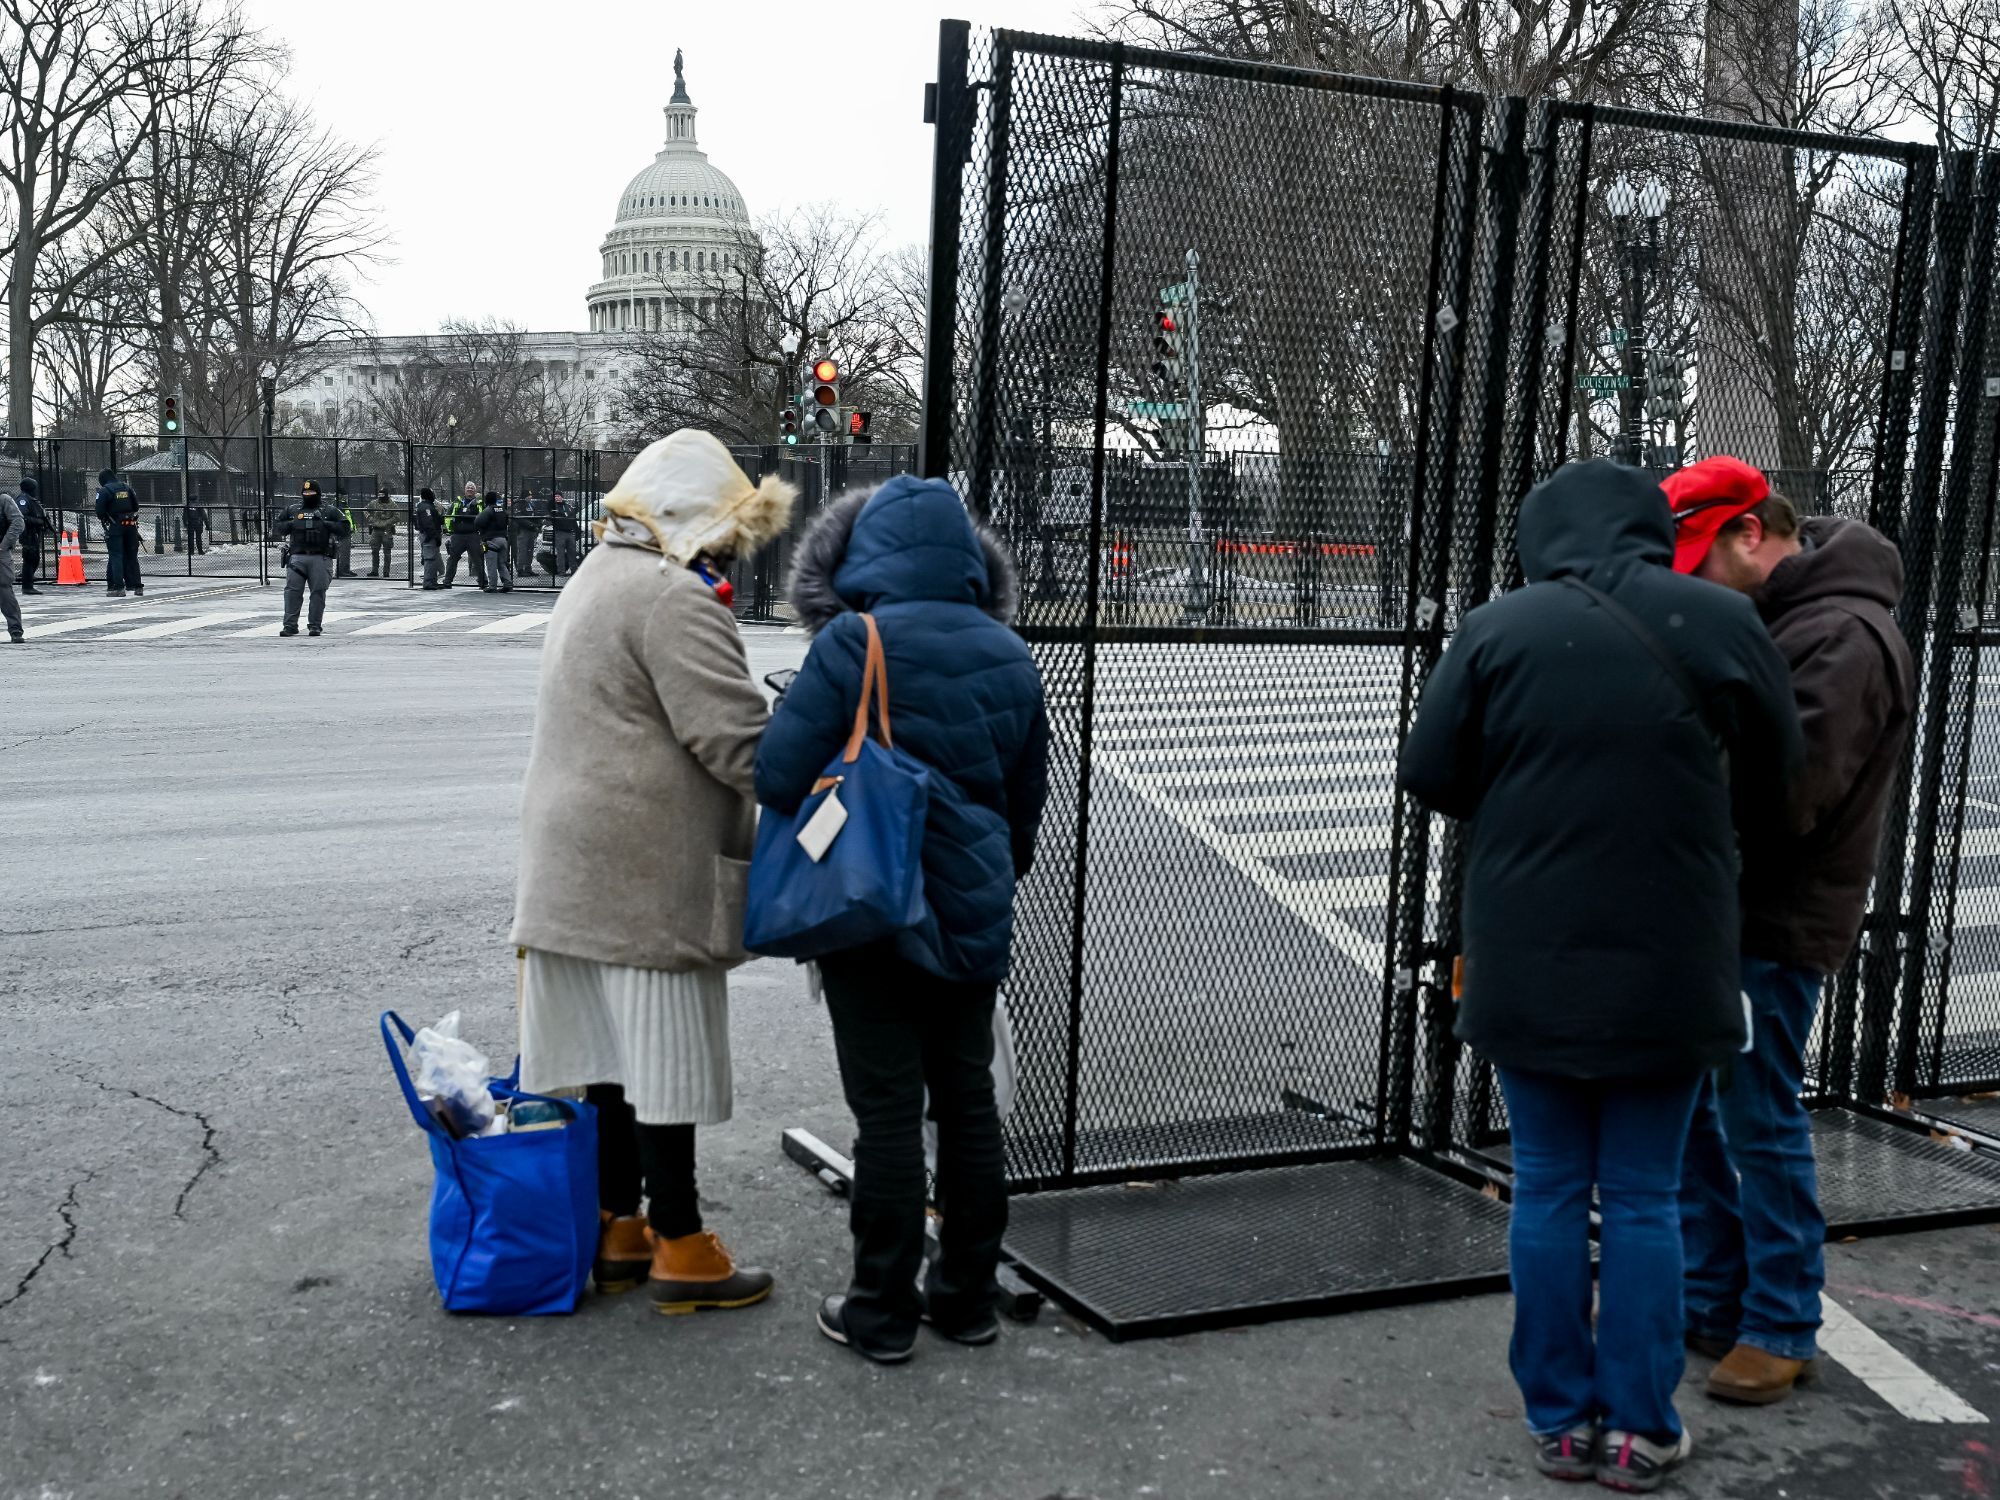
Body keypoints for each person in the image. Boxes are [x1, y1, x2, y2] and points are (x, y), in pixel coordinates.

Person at [1396, 460, 1801, 1492]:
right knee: (1641, 1197)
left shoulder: (1496, 630)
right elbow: (1776, 791)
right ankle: (1635, 1426)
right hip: (1669, 963)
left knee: (1544, 1188)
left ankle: (1555, 1416)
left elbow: (1430, 772)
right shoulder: (1715, 622)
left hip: (1525, 959)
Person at [756, 476, 1050, 1366]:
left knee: (886, 1110)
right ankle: (964, 1300)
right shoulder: (1009, 652)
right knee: (966, 1102)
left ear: (864, 556)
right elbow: (1025, 803)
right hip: (970, 908)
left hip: (869, 906)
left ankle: (879, 1311)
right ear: (965, 558)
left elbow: (776, 778)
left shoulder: (855, 641)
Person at [511, 428, 796, 1316]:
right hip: (645, 861)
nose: (728, 556)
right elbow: (736, 742)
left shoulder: (594, 578)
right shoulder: (672, 599)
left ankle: (618, 1226)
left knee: (608, 1058)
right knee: (661, 1054)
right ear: (692, 520)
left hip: (574, 855)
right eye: (725, 536)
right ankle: (682, 1244)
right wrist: (820, 764)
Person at [1667, 458, 1915, 1406]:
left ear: (1750, 535)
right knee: (1703, 1108)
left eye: (1702, 557)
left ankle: (1779, 1319)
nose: (1693, 581)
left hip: (1775, 914)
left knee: (1756, 1117)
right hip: (1740, 905)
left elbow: (1789, 793)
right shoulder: (1795, 619)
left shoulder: (1843, 632)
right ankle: (1719, 1297)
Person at [269, 479, 352, 637]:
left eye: (311, 493)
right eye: (305, 493)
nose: (308, 496)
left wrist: (325, 524)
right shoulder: (293, 510)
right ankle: (290, 626)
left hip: (320, 558)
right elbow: (278, 526)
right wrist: (293, 523)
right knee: (292, 592)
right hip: (297, 558)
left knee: (318, 593)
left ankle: (314, 625)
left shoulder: (329, 510)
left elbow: (345, 528)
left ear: (318, 494)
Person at [94, 467, 142, 598]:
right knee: (132, 556)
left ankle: (118, 587)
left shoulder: (104, 491)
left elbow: (99, 512)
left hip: (115, 525)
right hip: (131, 524)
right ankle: (137, 586)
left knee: (116, 555)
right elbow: (136, 506)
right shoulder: (126, 487)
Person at [443, 481, 484, 589]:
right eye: (468, 487)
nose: (470, 489)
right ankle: (447, 581)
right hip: (458, 535)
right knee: (452, 558)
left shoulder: (479, 503)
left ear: (475, 490)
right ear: (464, 489)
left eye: (472, 487)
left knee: (478, 559)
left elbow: (484, 517)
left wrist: (482, 533)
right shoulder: (457, 502)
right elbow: (448, 516)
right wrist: (450, 531)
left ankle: (483, 582)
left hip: (473, 535)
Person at [0, 483, 23, 642]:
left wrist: (3, 545)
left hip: (1, 553)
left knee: (4, 590)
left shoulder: (3, 500)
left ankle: (15, 630)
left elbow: (18, 523)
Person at [16, 477, 47, 594]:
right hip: (27, 534)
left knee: (35, 559)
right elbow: (22, 517)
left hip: (33, 534)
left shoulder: (30, 499)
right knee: (29, 559)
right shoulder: (23, 499)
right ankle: (27, 586)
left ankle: (26, 579)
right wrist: (37, 521)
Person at [477, 490, 511, 593]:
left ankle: (492, 586)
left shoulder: (488, 510)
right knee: (502, 564)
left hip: (491, 541)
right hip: (503, 540)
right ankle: (507, 583)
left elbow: (478, 522)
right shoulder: (501, 509)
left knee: (491, 564)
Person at [413, 489, 444, 590]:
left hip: (429, 535)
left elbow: (436, 521)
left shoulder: (426, 506)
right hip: (429, 536)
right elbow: (429, 523)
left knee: (433, 559)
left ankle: (432, 581)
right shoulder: (426, 507)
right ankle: (428, 582)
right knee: (430, 559)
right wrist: (434, 536)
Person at [365, 488, 399, 578]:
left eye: (382, 495)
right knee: (374, 551)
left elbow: (397, 516)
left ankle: (386, 572)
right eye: (379, 495)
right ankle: (374, 570)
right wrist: (370, 519)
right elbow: (365, 509)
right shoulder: (374, 503)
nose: (380, 497)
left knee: (387, 552)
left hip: (387, 530)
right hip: (376, 529)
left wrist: (387, 522)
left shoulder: (393, 504)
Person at [546, 493, 580, 578]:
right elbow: (549, 509)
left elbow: (573, 519)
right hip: (560, 532)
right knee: (560, 553)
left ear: (562, 497)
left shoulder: (568, 507)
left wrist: (577, 531)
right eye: (555, 497)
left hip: (569, 532)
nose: (557, 498)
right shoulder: (553, 507)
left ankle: (574, 570)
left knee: (572, 553)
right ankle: (561, 571)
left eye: (558, 496)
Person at [512, 492, 540, 577]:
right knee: (522, 551)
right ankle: (520, 569)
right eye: (529, 495)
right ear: (525, 496)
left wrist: (537, 524)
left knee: (530, 550)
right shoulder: (518, 505)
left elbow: (536, 515)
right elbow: (520, 519)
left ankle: (528, 568)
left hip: (532, 531)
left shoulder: (531, 504)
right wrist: (531, 525)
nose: (531, 497)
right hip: (523, 531)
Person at [333, 491, 359, 578]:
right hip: (342, 532)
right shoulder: (337, 504)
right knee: (343, 552)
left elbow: (350, 517)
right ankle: (341, 571)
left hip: (347, 531)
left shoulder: (345, 504)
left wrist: (352, 527)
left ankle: (346, 569)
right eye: (344, 495)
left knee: (346, 552)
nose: (345, 497)